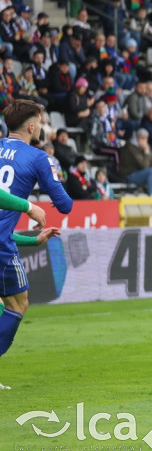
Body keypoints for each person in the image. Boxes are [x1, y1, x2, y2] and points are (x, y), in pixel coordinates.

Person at [0, 99, 72, 389]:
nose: (41, 127)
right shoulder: (37, 157)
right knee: (17, 303)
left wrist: (32, 240)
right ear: (31, 126)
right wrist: (30, 205)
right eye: (40, 122)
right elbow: (64, 204)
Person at [119, 129, 152, 195]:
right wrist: (146, 151)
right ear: (137, 138)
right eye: (142, 138)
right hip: (131, 174)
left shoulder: (147, 146)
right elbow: (144, 165)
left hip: (145, 173)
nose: (144, 140)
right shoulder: (131, 147)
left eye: (146, 138)